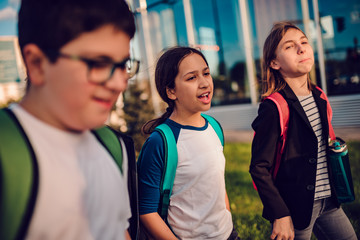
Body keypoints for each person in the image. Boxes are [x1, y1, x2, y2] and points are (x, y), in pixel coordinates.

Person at [0, 0, 139, 239]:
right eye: (98, 64)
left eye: (123, 65)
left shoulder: (113, 146)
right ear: (37, 64)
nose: (119, 83)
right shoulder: (8, 151)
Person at [249, 22, 357, 240]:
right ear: (274, 62)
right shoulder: (274, 107)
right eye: (289, 46)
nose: (301, 49)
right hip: (294, 207)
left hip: (329, 201)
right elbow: (259, 167)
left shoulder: (319, 96)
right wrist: (280, 214)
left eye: (304, 42)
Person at [137, 46, 239, 240]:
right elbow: (146, 211)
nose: (204, 83)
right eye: (192, 78)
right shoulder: (161, 141)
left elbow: (216, 183)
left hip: (228, 234)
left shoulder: (215, 128)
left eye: (206, 73)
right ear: (171, 91)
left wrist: (226, 220)